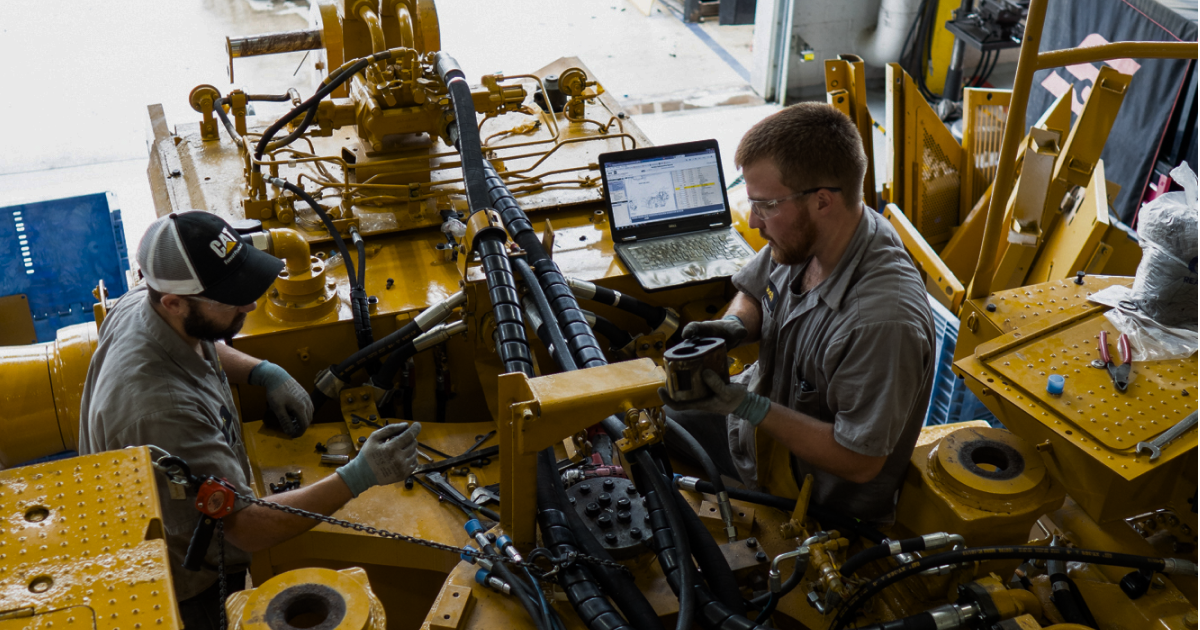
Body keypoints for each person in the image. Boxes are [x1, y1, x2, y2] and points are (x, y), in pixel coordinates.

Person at [78, 211, 421, 630]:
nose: (251, 304)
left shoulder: (147, 300)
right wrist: (359, 475)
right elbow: (246, 528)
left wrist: (260, 371)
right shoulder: (160, 410)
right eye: (232, 298)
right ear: (174, 302)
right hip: (188, 586)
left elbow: (195, 337)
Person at [661, 103, 935, 524]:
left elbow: (860, 460)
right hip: (757, 438)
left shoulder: (882, 322)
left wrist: (750, 407)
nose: (753, 221)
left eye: (765, 206)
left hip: (810, 500)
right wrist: (734, 326)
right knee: (645, 421)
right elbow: (753, 291)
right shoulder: (808, 237)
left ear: (822, 201)